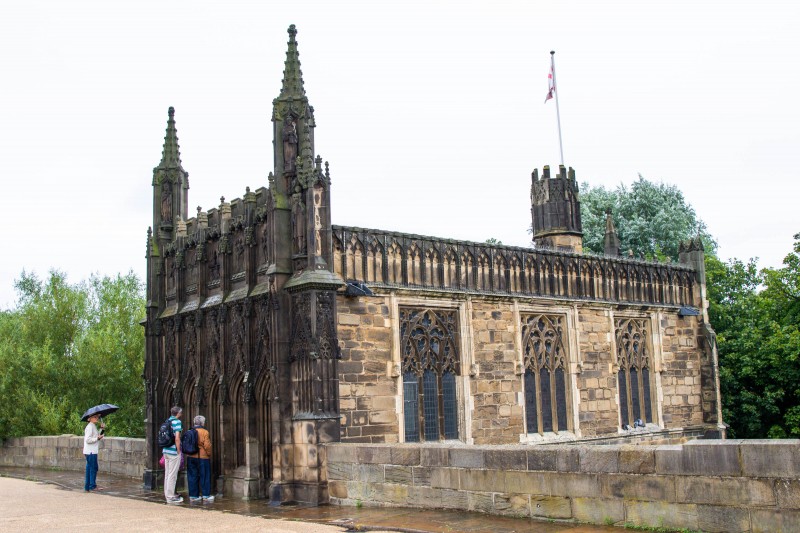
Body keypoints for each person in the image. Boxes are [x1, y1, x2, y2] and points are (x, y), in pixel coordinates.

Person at [186, 415, 214, 503]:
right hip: (202, 457)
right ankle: (206, 495)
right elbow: (207, 445)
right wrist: (209, 454)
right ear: (202, 423)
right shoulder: (204, 432)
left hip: (191, 456)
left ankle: (194, 496)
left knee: (192, 476)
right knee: (204, 476)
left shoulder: (189, 431)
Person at [163, 406, 183, 503]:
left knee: (167, 474)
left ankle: (167, 494)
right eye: (181, 413)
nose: (181, 414)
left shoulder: (167, 421)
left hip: (165, 450)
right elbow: (177, 438)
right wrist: (178, 451)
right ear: (178, 413)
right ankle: (171, 497)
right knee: (172, 474)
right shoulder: (177, 422)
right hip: (173, 451)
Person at [83, 413, 105, 492]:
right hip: (91, 451)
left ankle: (87, 487)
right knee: (94, 468)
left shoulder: (92, 426)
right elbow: (88, 440)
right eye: (95, 417)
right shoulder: (90, 427)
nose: (97, 418)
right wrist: (97, 438)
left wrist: (102, 429)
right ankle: (92, 486)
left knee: (89, 468)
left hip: (90, 451)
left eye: (97, 417)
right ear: (90, 418)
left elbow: (98, 436)